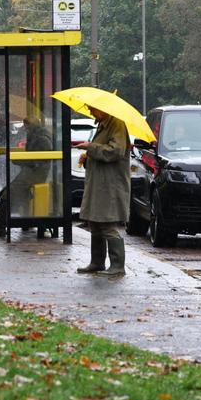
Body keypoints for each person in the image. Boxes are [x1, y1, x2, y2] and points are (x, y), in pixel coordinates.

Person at [73, 106, 131, 276]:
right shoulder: (104, 123)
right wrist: (88, 156)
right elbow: (102, 148)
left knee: (106, 223)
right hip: (99, 183)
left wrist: (91, 147)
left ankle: (118, 265)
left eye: (93, 110)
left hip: (110, 184)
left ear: (104, 109)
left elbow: (115, 151)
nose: (91, 113)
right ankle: (97, 262)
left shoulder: (117, 124)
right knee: (95, 222)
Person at [0, 114, 52, 236]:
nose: (25, 129)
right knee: (10, 191)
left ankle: (0, 226)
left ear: (31, 126)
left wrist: (19, 160)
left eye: (26, 127)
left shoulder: (42, 139)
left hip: (35, 174)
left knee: (8, 193)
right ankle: (24, 221)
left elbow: (40, 159)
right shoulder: (37, 136)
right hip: (31, 173)